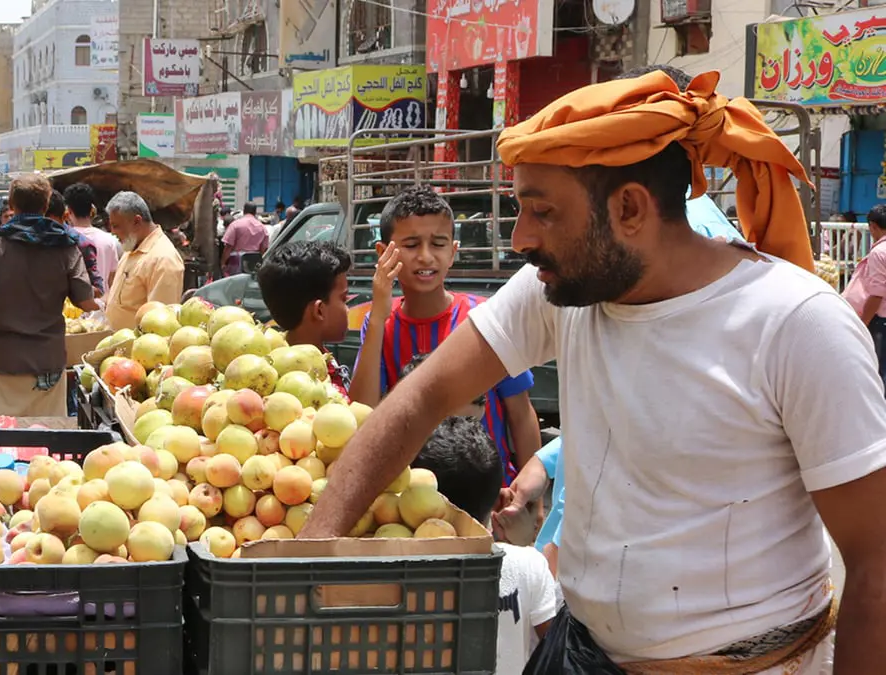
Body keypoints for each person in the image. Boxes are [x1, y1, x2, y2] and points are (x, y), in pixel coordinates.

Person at [301, 69, 885, 673]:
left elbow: (876, 564)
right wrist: (304, 560)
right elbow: (418, 401)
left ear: (629, 208)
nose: (521, 238)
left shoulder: (796, 324)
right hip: (581, 655)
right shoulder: (557, 290)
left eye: (542, 212)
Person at [496, 64, 752, 565]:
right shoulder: (610, 252)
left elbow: (646, 421)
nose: (522, 239)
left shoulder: (658, 251)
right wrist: (544, 464)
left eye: (543, 213)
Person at [348, 186, 542, 487]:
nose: (426, 257)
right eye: (411, 245)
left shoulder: (485, 318)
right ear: (382, 253)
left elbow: (521, 412)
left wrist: (530, 494)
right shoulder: (381, 326)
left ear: (453, 252)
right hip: (411, 498)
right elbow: (361, 412)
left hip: (489, 494)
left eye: (437, 244)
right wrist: (377, 319)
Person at [414, 416, 557, 674]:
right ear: (498, 500)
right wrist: (525, 543)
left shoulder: (400, 566)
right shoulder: (529, 565)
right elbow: (554, 648)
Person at [0, 174, 97, 417]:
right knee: (46, 440)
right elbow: (85, 302)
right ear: (47, 205)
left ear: (12, 205)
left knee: (4, 441)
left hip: (6, 361)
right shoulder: (66, 246)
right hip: (48, 361)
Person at [256, 240, 353, 400]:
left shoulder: (322, 358)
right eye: (344, 299)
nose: (347, 308)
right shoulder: (311, 386)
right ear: (319, 310)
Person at [103, 191, 184, 330]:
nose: (112, 232)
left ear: (136, 221)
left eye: (116, 226)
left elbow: (159, 324)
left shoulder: (163, 259)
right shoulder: (131, 249)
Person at [841, 203, 886, 380]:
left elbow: (877, 293)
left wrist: (863, 322)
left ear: (873, 226)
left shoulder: (878, 253)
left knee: (878, 370)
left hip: (880, 321)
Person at [64, 183, 122, 294]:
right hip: (101, 306)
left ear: (69, 211)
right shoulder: (110, 241)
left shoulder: (64, 239)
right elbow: (112, 280)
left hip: (70, 309)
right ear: (92, 209)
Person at [222, 202, 270, 276]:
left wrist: (223, 263)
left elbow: (228, 246)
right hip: (254, 263)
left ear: (244, 211)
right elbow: (263, 250)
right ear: (255, 212)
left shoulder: (235, 225)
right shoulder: (262, 227)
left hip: (236, 263)